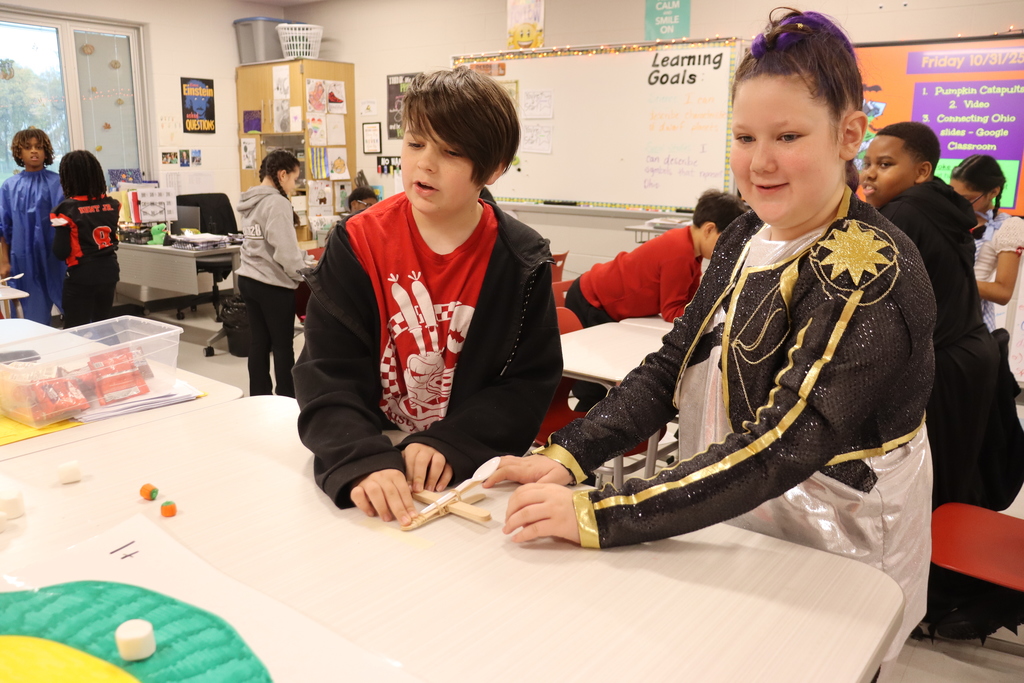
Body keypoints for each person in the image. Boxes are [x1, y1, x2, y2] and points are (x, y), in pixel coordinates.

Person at [484, 10, 936, 673]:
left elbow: (786, 441)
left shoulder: (868, 272)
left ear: (849, 134)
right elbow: (674, 361)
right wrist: (570, 455)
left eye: (788, 135)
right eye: (745, 136)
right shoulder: (746, 234)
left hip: (835, 532)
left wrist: (607, 511)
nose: (761, 162)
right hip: (734, 497)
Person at [293, 67, 562, 528]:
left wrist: (450, 443)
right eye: (416, 144)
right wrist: (359, 456)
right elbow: (325, 371)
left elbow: (527, 384)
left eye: (451, 152)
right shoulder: (357, 243)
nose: (425, 164)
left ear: (494, 169)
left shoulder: (520, 259)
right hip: (373, 455)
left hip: (462, 473)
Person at [860, 121, 999, 510]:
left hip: (943, 365)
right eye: (867, 162)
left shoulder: (901, 214)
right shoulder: (938, 207)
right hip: (969, 356)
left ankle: (933, 570)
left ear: (922, 171)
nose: (869, 173)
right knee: (954, 479)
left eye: (885, 164)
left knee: (926, 490)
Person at [565, 188, 746, 410]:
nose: (728, 250)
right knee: (592, 384)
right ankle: (579, 432)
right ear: (709, 229)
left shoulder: (691, 251)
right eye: (726, 241)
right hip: (591, 298)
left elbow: (690, 302)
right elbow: (673, 310)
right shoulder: (679, 252)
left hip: (602, 298)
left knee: (603, 381)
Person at [236, 150, 311, 397]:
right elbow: (286, 254)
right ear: (282, 174)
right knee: (282, 346)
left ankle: (259, 396)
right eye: (294, 178)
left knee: (258, 343)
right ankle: (288, 399)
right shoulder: (277, 203)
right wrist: (303, 273)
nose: (294, 185)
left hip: (248, 279)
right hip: (272, 285)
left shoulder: (249, 199)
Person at [950, 154, 1024, 331]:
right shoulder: (948, 217)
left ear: (993, 192)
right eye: (953, 196)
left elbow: (1003, 292)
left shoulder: (1008, 226)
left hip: (971, 323)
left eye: (967, 199)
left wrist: (950, 279)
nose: (959, 204)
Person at [0, 128, 66, 324]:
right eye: (28, 148)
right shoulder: (9, 186)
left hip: (56, 256)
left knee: (73, 305)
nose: (34, 151)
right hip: (23, 257)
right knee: (30, 312)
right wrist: (3, 261)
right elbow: (4, 227)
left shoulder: (59, 182)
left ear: (46, 152)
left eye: (39, 147)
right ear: (19, 153)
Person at [49, 151, 120, 328]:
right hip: (110, 271)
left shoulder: (65, 210)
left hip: (82, 275)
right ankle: (104, 356)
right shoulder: (112, 204)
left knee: (75, 329)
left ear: (68, 178)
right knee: (102, 326)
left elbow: (61, 251)